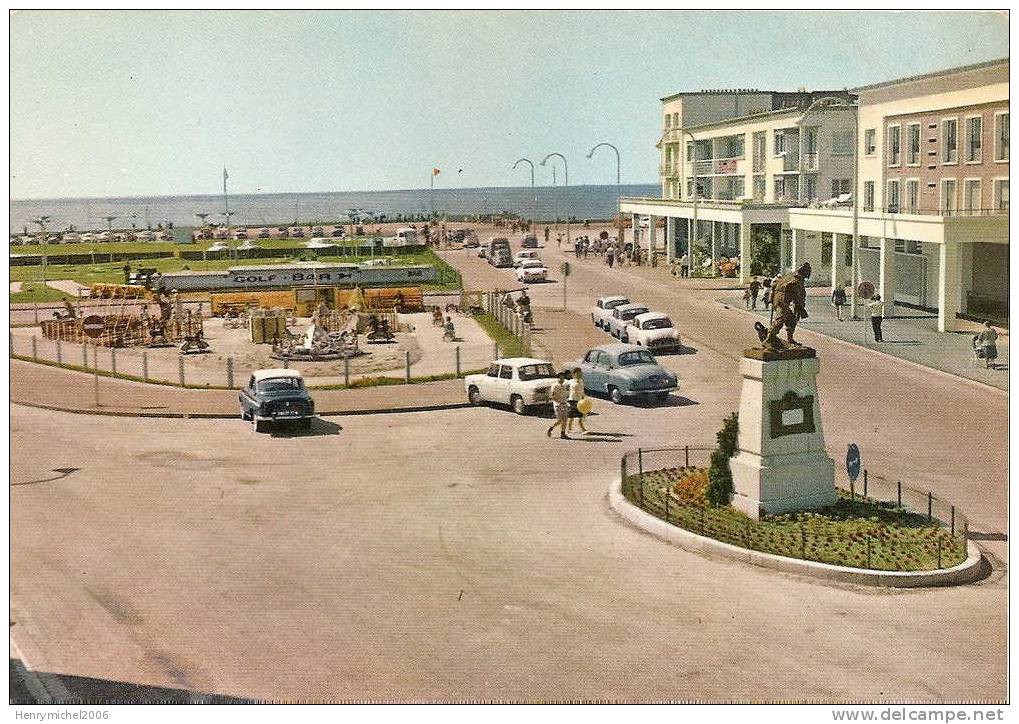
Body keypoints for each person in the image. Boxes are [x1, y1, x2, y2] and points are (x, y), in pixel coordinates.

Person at [761, 263, 810, 350]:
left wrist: (771, 299)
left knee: (791, 320)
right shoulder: (797, 280)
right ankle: (768, 339)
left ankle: (790, 339)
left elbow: (774, 284)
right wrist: (800, 308)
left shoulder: (789, 276)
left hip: (778, 300)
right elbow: (800, 296)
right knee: (780, 319)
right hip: (782, 302)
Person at [546, 372, 571, 439]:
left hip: (564, 404)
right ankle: (551, 427)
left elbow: (566, 395)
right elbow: (552, 395)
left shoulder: (564, 385)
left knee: (565, 420)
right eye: (561, 378)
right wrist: (559, 402)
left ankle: (563, 434)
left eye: (563, 378)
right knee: (560, 420)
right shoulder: (555, 385)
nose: (562, 379)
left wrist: (566, 401)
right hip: (558, 405)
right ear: (558, 378)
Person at [566, 368, 589, 434]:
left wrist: (584, 398)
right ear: (574, 374)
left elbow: (582, 390)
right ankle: (569, 429)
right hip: (572, 400)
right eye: (578, 373)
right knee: (572, 415)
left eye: (581, 373)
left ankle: (582, 429)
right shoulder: (571, 381)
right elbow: (566, 388)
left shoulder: (581, 381)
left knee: (581, 415)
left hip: (580, 400)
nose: (580, 374)